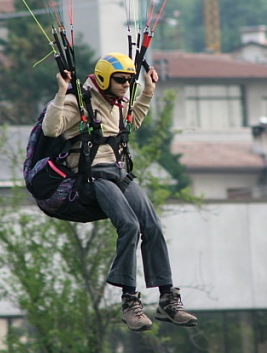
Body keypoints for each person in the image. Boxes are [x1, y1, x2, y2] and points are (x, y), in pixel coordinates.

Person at [41, 52, 197, 331]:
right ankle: (129, 301)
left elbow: (131, 123)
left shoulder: (118, 102)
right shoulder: (80, 101)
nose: (126, 85)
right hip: (91, 177)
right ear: (104, 79)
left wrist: (147, 91)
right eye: (121, 80)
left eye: (129, 80)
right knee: (129, 225)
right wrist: (61, 92)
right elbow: (51, 129)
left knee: (152, 225)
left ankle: (167, 299)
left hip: (118, 173)